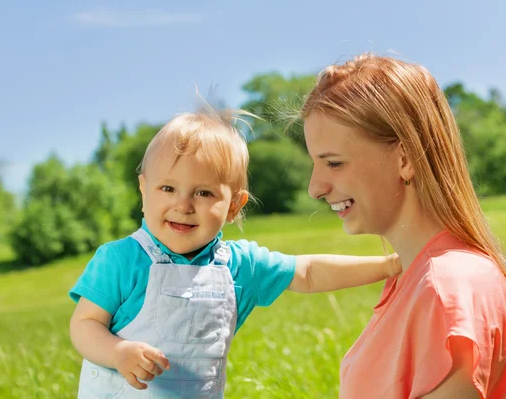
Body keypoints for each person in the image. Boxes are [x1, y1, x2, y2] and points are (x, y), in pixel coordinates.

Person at [69, 105, 402, 398]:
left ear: (234, 205)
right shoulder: (121, 259)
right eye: (167, 188)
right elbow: (84, 325)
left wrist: (389, 265)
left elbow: (308, 272)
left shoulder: (239, 266)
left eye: (203, 193)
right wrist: (118, 353)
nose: (183, 205)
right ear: (144, 190)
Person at [301, 53, 506, 399]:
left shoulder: (445, 289)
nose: (314, 187)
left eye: (334, 163)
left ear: (406, 158)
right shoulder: (417, 280)